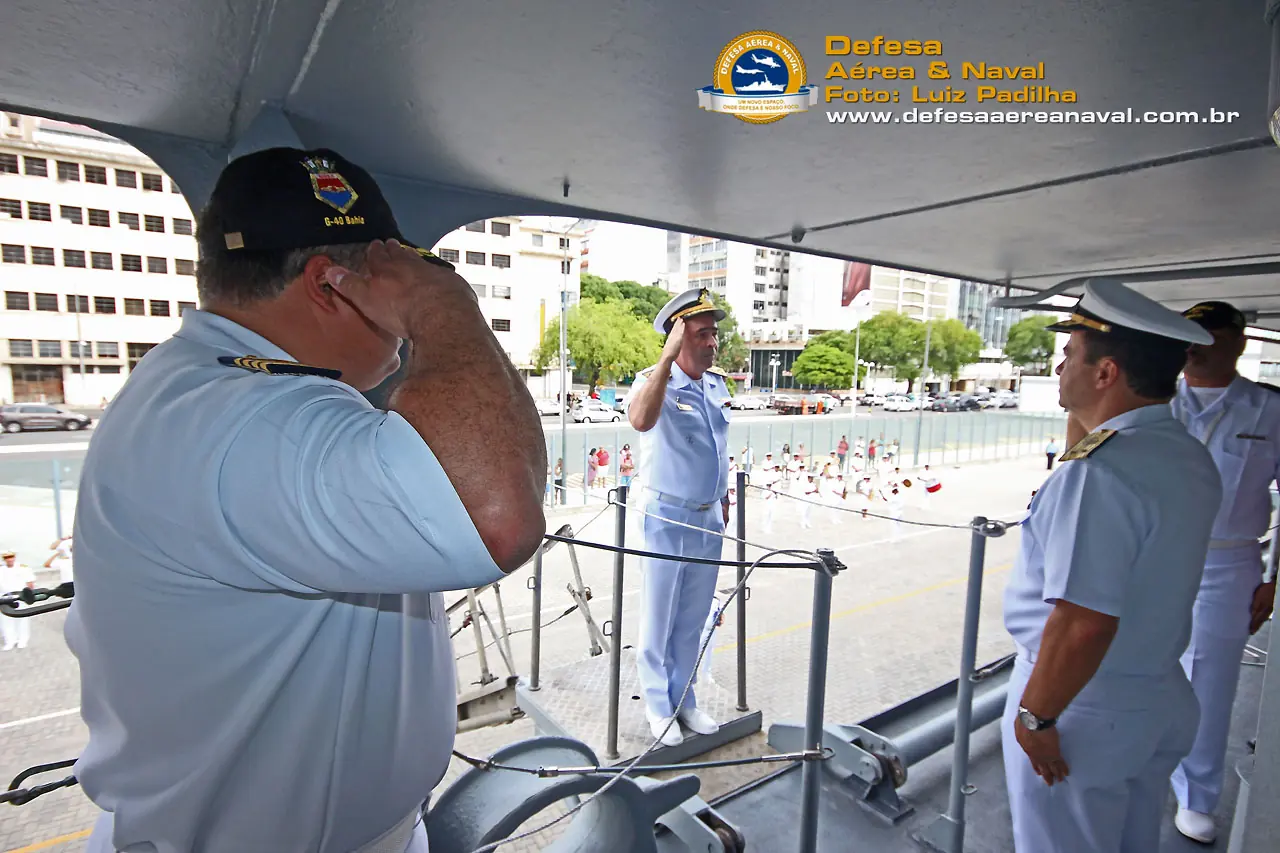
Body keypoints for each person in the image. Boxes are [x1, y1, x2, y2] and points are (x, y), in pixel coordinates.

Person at [65, 148, 546, 853]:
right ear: (331, 285)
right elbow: (499, 515)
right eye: (393, 276)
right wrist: (442, 303)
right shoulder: (254, 420)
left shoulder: (202, 389)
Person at [1001, 279, 1222, 853]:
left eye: (1069, 355)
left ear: (1105, 373)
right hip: (1157, 693)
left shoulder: (1097, 476)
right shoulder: (1183, 453)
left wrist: (1036, 719)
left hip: (1083, 706)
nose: (1057, 368)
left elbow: (1083, 622)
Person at [1167, 300, 1280, 843]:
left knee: (1210, 684)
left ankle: (1197, 794)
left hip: (1227, 561)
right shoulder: (1154, 399)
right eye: (1191, 335)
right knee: (1128, 665)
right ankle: (1135, 765)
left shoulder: (1269, 409)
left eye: (1212, 335)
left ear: (1238, 341)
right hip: (1152, 558)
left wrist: (1275, 577)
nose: (1198, 345)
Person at [627, 287, 731, 747]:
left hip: (708, 520)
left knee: (693, 617)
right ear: (678, 337)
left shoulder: (715, 385)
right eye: (703, 334)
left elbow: (718, 450)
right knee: (659, 618)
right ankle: (657, 706)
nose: (713, 343)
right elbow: (640, 421)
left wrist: (724, 504)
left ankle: (685, 700)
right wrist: (666, 362)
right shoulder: (653, 382)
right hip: (665, 519)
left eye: (714, 334)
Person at [1, 550, 35, 650]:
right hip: (5, 597)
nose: (9, 559)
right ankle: (10, 641)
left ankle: (23, 640)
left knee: (22, 619)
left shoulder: (22, 568)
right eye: (7, 558)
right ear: (4, 559)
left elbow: (30, 583)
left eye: (11, 557)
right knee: (6, 620)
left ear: (14, 557)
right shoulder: (1, 570)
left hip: (20, 596)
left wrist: (29, 596)